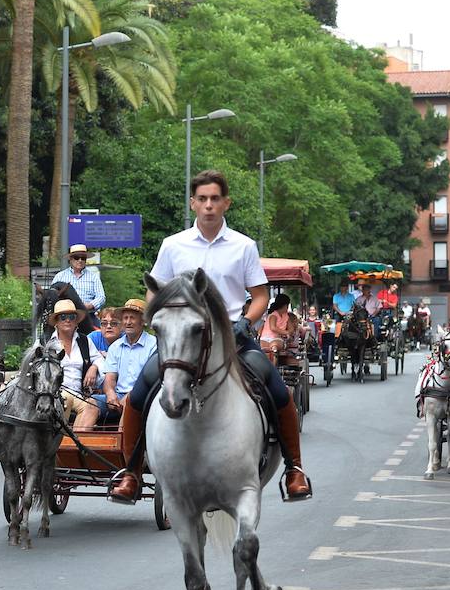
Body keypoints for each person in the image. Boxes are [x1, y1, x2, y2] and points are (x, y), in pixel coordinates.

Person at [109, 170, 310, 503]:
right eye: (202, 199)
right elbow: (153, 291)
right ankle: (130, 472)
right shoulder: (173, 246)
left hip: (233, 338)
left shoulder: (243, 246)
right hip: (183, 340)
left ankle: (294, 469)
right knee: (141, 390)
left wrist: (246, 322)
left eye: (215, 199)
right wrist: (162, 318)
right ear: (193, 203)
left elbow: (260, 295)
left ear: (226, 202)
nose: (208, 205)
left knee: (277, 388)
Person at [92, 298, 156, 420]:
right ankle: (79, 438)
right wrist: (110, 394)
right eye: (125, 318)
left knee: (128, 404)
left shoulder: (153, 345)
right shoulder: (115, 347)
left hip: (143, 397)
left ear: (143, 321)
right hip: (118, 395)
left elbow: (150, 381)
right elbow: (109, 379)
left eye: (132, 318)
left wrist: (129, 397)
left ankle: (120, 439)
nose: (128, 322)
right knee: (91, 403)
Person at [48, 299, 103, 429]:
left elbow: (100, 359)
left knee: (93, 406)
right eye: (63, 317)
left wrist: (94, 367)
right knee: (66, 398)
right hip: (53, 394)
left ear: (76, 321)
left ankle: (75, 445)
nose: (68, 320)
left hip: (78, 395)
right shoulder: (46, 343)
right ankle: (59, 442)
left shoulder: (84, 341)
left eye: (71, 317)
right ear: (56, 321)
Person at [51, 243, 105, 314]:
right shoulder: (60, 276)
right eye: (76, 257)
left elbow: (101, 297)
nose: (80, 260)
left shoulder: (94, 277)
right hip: (64, 315)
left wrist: (89, 305)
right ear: (70, 259)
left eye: (83, 258)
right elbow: (51, 295)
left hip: (88, 315)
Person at [260, 293, 301, 365]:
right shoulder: (273, 315)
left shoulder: (286, 316)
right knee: (270, 350)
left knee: (275, 345)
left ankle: (274, 363)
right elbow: (273, 328)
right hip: (266, 338)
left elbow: (291, 329)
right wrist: (286, 332)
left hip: (276, 339)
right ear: (285, 305)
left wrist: (288, 332)